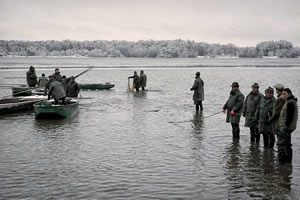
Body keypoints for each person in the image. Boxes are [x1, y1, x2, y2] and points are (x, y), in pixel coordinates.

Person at [277, 88, 298, 163]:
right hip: (287, 127)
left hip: (286, 127)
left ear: (289, 93)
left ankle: (282, 164)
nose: (283, 95)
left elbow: (289, 117)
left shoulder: (290, 103)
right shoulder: (290, 102)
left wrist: (285, 127)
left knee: (282, 146)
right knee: (287, 145)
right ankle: (288, 164)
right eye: (283, 94)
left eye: (285, 93)